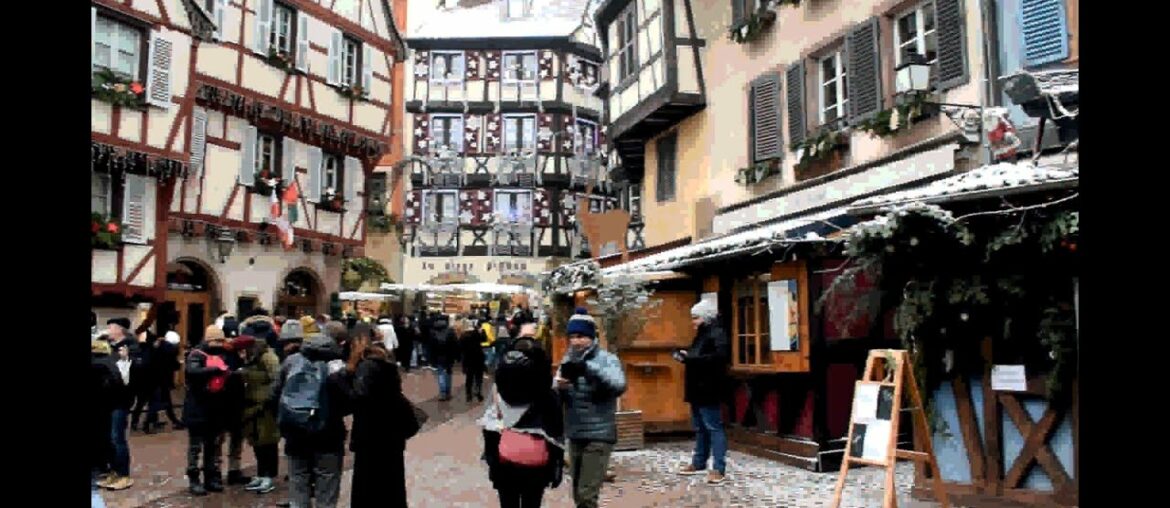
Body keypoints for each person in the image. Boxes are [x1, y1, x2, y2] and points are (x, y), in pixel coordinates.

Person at [481, 332, 563, 508]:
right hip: (536, 464)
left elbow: (489, 428)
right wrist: (556, 467)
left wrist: (492, 463)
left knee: (508, 503)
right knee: (532, 503)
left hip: (504, 461)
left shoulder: (499, 390)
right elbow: (556, 432)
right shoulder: (547, 394)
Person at [555, 309, 626, 508]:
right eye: (572, 337)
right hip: (576, 433)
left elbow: (618, 385)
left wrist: (588, 369)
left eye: (581, 336)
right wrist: (560, 388)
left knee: (587, 495)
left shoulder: (607, 359)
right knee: (578, 493)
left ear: (592, 337)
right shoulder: (567, 360)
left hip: (599, 434)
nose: (576, 342)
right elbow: (561, 394)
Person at [272, 330, 352, 508]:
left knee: (298, 479)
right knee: (327, 483)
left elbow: (275, 393)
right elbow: (348, 401)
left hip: (295, 432)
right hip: (329, 435)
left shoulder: (291, 362)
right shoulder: (337, 367)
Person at [343, 323, 412, 508]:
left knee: (368, 487)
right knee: (391, 485)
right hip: (391, 433)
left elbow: (359, 397)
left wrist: (343, 379)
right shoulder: (384, 360)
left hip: (372, 435)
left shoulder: (366, 366)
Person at [675, 299, 731, 484]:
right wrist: (688, 356)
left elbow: (718, 358)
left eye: (695, 317)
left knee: (713, 428)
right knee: (700, 428)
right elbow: (700, 356)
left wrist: (691, 359)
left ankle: (718, 468)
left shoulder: (717, 333)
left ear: (705, 317)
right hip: (697, 387)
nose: (693, 321)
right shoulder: (703, 333)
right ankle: (699, 462)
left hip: (709, 388)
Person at [183, 325, 235, 496]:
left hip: (215, 408)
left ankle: (211, 477)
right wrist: (215, 370)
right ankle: (194, 478)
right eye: (216, 341)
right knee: (195, 447)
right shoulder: (196, 355)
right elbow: (192, 371)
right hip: (197, 409)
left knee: (212, 446)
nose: (219, 344)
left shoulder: (221, 354)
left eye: (221, 341)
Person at [235, 335, 281, 494]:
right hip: (253, 406)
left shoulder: (267, 357)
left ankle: (268, 476)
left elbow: (276, 378)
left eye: (242, 351)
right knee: (257, 442)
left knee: (267, 442)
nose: (241, 355)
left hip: (265, 407)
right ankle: (261, 474)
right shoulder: (253, 358)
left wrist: (268, 398)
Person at [92, 340, 126, 493]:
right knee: (112, 439)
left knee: (111, 439)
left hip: (105, 406)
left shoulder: (98, 364)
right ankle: (113, 471)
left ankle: (117, 472)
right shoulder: (113, 361)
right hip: (113, 406)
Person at [146, 331, 184, 431]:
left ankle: (152, 422)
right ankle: (149, 424)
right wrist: (179, 363)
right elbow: (174, 366)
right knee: (162, 402)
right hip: (163, 379)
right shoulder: (171, 350)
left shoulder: (157, 346)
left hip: (152, 378)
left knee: (155, 401)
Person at [429, 314, 458, 401]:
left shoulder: (433, 332)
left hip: (438, 357)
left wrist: (431, 358)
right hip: (449, 356)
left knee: (441, 374)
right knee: (448, 374)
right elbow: (455, 345)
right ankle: (448, 392)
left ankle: (442, 393)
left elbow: (431, 347)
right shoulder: (450, 331)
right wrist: (456, 356)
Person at [459, 317, 487, 402]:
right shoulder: (477, 333)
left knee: (469, 378)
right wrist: (482, 331)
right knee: (478, 377)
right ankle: (478, 392)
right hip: (478, 358)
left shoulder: (463, 336)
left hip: (467, 359)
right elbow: (484, 339)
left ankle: (468, 395)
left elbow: (460, 347)